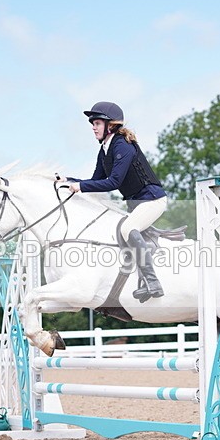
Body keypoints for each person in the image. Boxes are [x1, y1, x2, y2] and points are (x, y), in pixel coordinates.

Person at [58, 101, 167, 302]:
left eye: (97, 123)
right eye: (92, 123)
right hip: (136, 203)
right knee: (120, 231)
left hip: (153, 199)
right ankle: (140, 279)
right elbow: (96, 180)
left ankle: (153, 282)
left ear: (111, 125)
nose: (93, 127)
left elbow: (113, 182)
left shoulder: (122, 145)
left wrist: (80, 187)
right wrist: (70, 180)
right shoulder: (105, 150)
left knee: (127, 229)